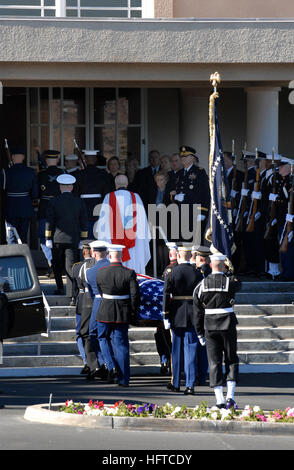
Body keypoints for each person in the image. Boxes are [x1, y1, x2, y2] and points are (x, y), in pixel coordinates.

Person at [193, 253, 241, 409]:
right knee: (231, 359)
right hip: (227, 325)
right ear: (223, 265)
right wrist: (230, 271)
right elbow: (239, 283)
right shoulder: (230, 282)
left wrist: (199, 332)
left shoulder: (201, 285)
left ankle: (219, 400)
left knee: (214, 362)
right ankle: (230, 397)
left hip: (210, 327)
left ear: (210, 264)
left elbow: (197, 312)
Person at [96, 244, 141, 387]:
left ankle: (111, 366)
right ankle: (124, 379)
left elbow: (101, 292)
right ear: (121, 256)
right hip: (122, 311)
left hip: (105, 310)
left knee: (102, 338)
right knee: (121, 344)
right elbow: (135, 295)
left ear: (109, 256)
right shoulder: (129, 273)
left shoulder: (101, 272)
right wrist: (133, 311)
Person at [163, 245, 203, 395]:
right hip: (193, 314)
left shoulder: (172, 272)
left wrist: (165, 315)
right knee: (191, 349)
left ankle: (175, 383)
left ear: (179, 256)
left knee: (176, 350)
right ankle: (190, 385)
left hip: (176, 313)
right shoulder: (198, 273)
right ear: (190, 256)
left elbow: (166, 294)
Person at [95, 174, 151, 275]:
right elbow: (143, 221)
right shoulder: (136, 197)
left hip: (113, 242)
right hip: (134, 243)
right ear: (127, 184)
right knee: (134, 267)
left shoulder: (108, 197)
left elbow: (102, 223)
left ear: (115, 185)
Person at [45, 173, 88, 296]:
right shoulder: (79, 201)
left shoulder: (53, 201)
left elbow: (49, 221)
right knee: (70, 267)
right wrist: (83, 240)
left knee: (57, 265)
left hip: (57, 239)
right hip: (73, 240)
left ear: (60, 187)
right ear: (72, 187)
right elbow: (84, 222)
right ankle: (72, 295)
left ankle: (59, 288)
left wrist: (48, 238)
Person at [82, 240, 111, 381]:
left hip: (98, 302)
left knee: (94, 333)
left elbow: (91, 292)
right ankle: (110, 364)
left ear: (93, 253)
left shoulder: (90, 271)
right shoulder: (115, 266)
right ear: (107, 253)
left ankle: (101, 363)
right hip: (115, 304)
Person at [0, 147, 38, 244]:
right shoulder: (31, 171)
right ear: (24, 157)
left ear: (12, 157)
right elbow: (34, 194)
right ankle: (23, 257)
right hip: (26, 206)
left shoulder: (6, 171)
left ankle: (13, 257)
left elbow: (2, 189)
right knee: (23, 236)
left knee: (11, 236)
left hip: (11, 207)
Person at [174, 146, 210, 244]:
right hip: (181, 213)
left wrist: (203, 212)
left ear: (192, 158)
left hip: (195, 212)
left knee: (196, 244)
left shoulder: (200, 172)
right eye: (182, 156)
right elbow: (174, 191)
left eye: (186, 156)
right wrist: (175, 197)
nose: (183, 158)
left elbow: (205, 193)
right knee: (183, 244)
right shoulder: (178, 174)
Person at [37, 150, 65, 273]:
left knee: (44, 238)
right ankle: (58, 265)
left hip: (44, 208)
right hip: (60, 209)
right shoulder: (63, 173)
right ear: (57, 160)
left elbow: (36, 193)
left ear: (46, 161)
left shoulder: (40, 175)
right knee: (59, 239)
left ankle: (52, 264)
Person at [74, 150, 112, 239]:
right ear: (95, 160)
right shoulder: (103, 174)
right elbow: (107, 193)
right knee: (98, 237)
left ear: (85, 160)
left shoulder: (79, 174)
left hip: (84, 208)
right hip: (99, 208)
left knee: (85, 237)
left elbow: (75, 194)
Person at [154, 242, 178, 376]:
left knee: (163, 336)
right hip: (178, 309)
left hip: (171, 308)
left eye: (171, 252)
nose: (169, 254)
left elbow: (166, 291)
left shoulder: (170, 270)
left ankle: (166, 361)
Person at [71, 241, 93, 376]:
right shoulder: (97, 265)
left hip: (81, 302)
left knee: (80, 333)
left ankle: (86, 361)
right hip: (94, 301)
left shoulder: (76, 267)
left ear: (83, 252)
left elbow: (74, 288)